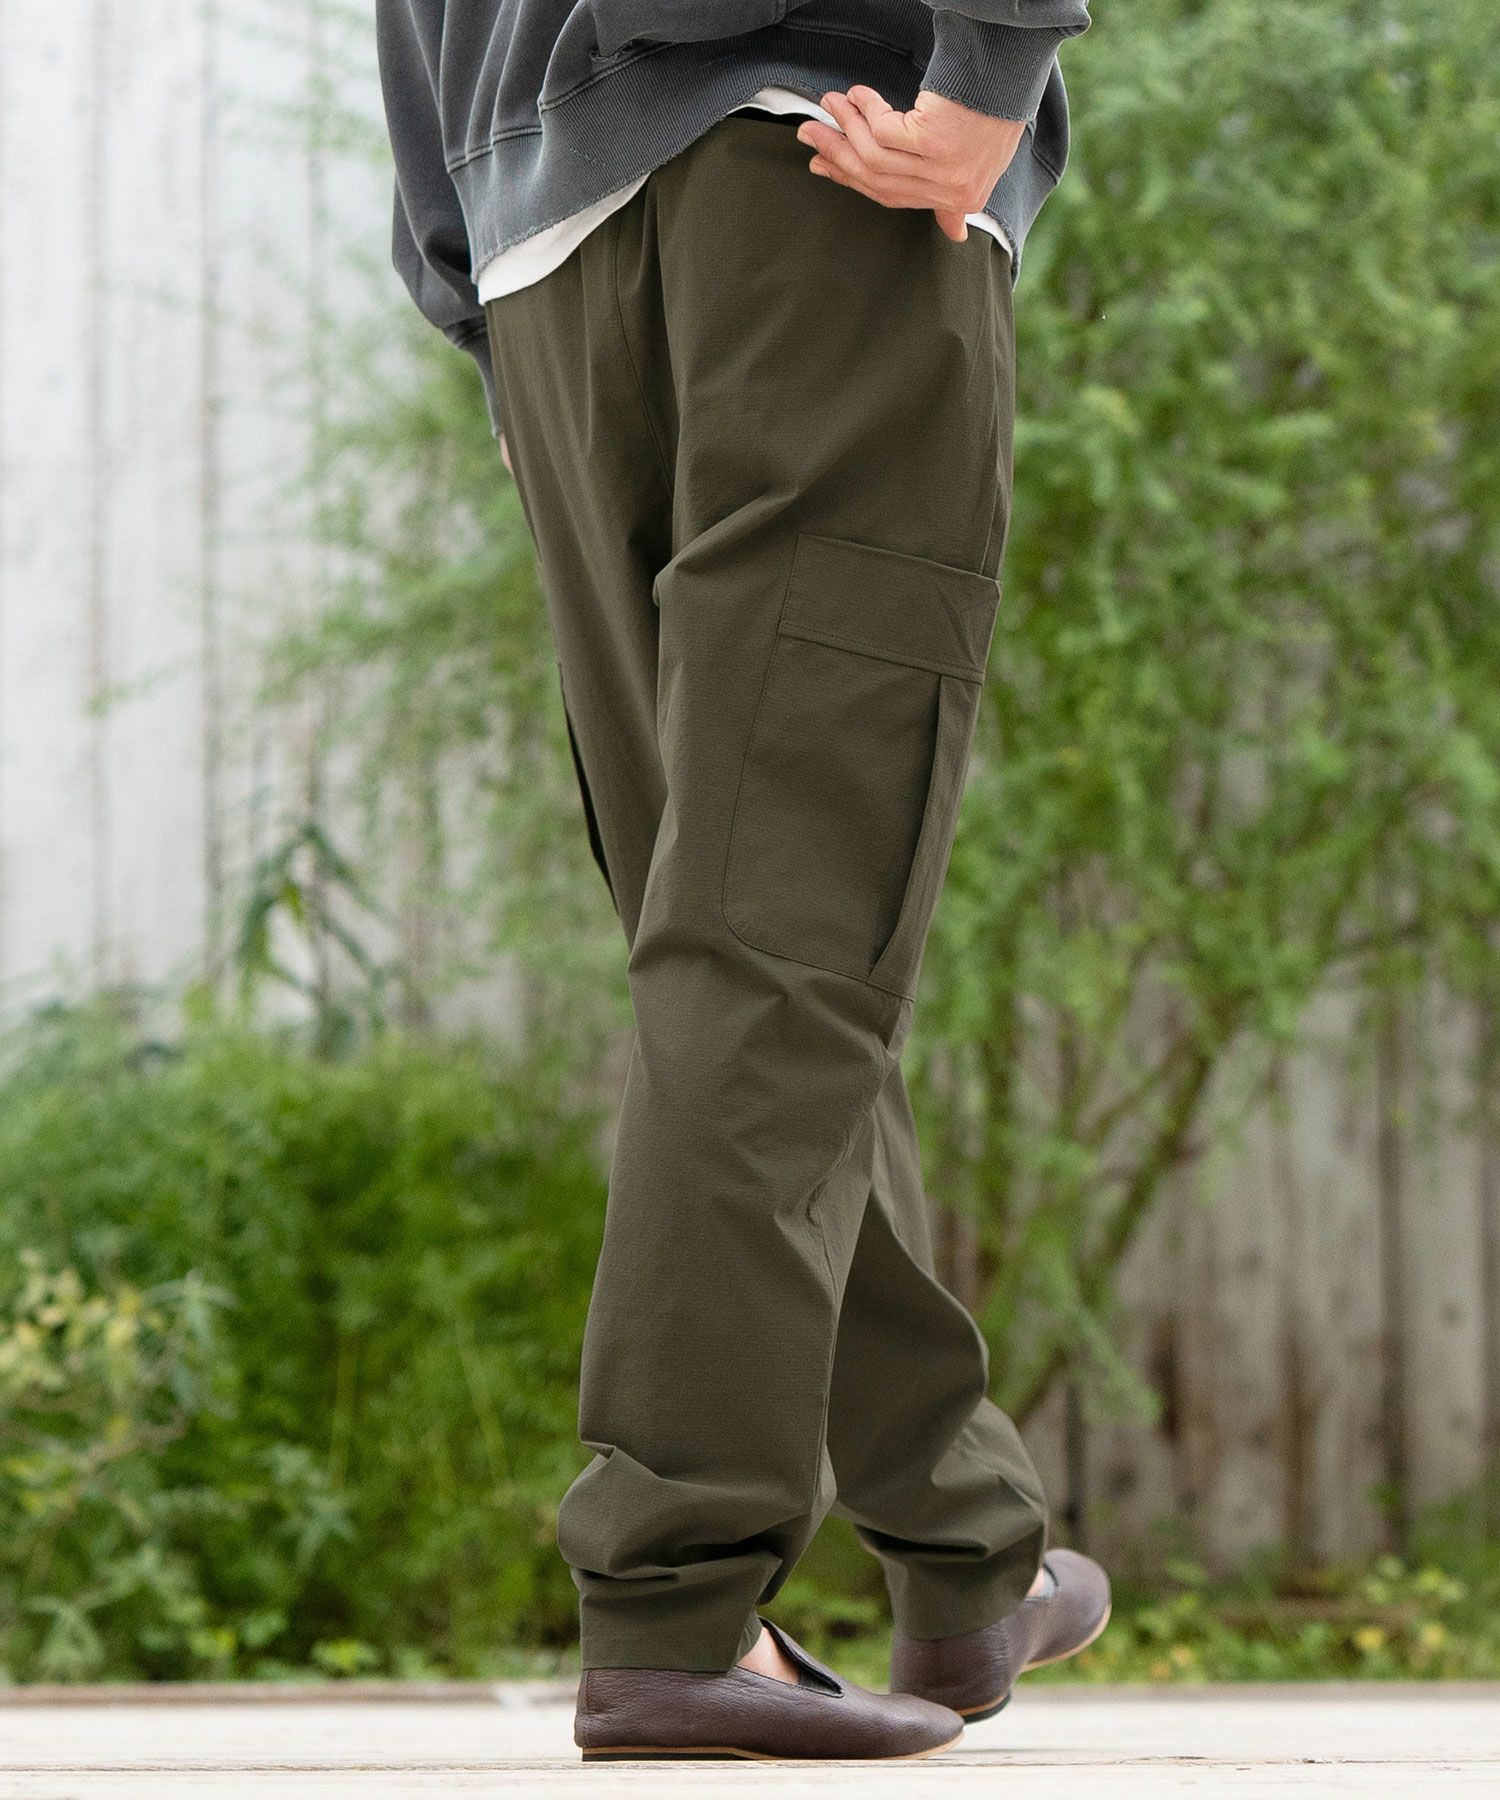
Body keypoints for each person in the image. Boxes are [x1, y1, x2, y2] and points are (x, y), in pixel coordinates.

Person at [375, 0, 1109, 1764]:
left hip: (545, 240)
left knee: (749, 932)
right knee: (780, 930)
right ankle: (676, 1597)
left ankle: (961, 1540)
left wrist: (474, 274)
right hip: (826, 166)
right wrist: (994, 65)